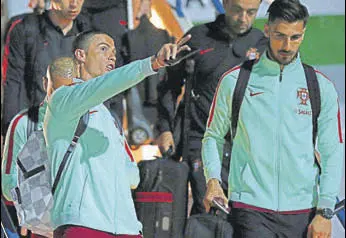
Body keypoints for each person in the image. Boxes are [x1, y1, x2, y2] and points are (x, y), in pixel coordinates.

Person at [202, 0, 344, 237]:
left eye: (295, 37)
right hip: (250, 207)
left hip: (303, 210)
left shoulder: (320, 86)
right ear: (267, 30)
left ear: (303, 34)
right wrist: (213, 180)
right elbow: (213, 137)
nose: (287, 45)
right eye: (280, 35)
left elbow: (332, 150)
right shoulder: (235, 80)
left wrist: (325, 211)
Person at [43, 30, 191, 237]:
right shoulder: (63, 99)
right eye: (103, 49)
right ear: (80, 55)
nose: (112, 56)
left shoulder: (110, 117)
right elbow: (109, 83)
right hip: (83, 225)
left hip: (127, 227)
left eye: (113, 51)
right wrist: (152, 63)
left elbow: (131, 176)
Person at [156, 0, 267, 215]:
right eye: (237, 10)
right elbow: (169, 86)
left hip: (246, 145)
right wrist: (164, 129)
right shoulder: (196, 37)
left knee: (244, 217)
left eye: (251, 12)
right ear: (225, 4)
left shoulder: (262, 44)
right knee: (207, 210)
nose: (243, 18)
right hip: (201, 140)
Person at [1, 57, 76, 238]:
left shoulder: (95, 120)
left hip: (83, 226)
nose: (62, 98)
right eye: (57, 90)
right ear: (45, 83)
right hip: (43, 228)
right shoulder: (24, 123)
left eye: (71, 90)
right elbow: (8, 185)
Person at [1, 0, 89, 138]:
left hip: (77, 134)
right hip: (34, 130)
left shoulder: (88, 35)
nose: (74, 4)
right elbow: (13, 83)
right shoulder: (25, 29)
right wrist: (8, 131)